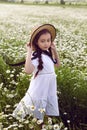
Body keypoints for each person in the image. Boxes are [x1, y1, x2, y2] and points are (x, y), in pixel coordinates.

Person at [12, 24, 61, 121]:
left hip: (49, 86)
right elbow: (28, 71)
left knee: (46, 109)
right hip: (40, 87)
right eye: (42, 41)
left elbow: (57, 65)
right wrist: (29, 52)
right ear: (36, 42)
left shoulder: (48, 53)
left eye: (48, 40)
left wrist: (55, 51)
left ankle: (43, 124)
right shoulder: (35, 56)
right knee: (37, 108)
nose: (46, 43)